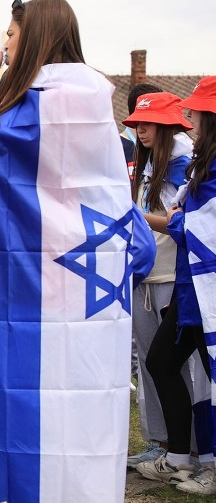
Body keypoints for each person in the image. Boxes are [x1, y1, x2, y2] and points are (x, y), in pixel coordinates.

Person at [0, 0, 155, 502]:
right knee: (82, 401)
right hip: (84, 277)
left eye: (11, 37)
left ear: (36, 37)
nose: (3, 46)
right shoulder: (88, 96)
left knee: (26, 400)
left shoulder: (47, 99)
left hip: (41, 284)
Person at [137, 78, 216, 494]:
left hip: (202, 288)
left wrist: (147, 217)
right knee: (161, 364)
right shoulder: (201, 161)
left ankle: (205, 462)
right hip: (192, 287)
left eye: (196, 112)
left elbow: (196, 225)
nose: (190, 119)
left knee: (205, 377)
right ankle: (181, 457)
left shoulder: (196, 162)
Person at [119, 93, 202, 472]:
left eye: (148, 123)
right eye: (137, 122)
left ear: (169, 125)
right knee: (154, 365)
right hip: (145, 274)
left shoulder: (183, 161)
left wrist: (131, 212)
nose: (140, 129)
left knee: (178, 368)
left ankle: (193, 448)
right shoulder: (149, 162)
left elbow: (175, 222)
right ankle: (161, 443)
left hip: (174, 278)